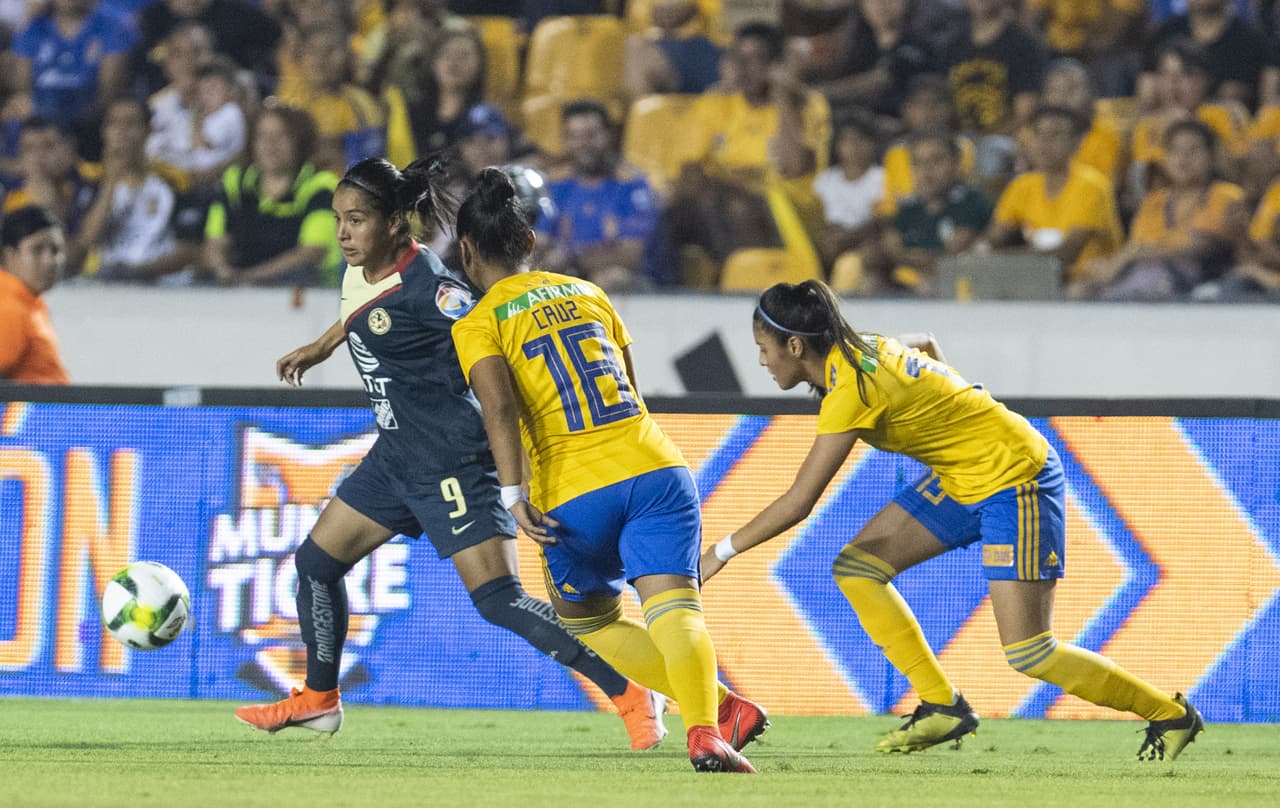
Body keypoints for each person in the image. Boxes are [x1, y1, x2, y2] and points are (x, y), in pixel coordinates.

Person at [234, 156, 666, 754]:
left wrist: (530, 456)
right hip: (396, 457)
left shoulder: (436, 292)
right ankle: (319, 700)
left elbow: (494, 345)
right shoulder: (364, 269)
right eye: (337, 219)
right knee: (315, 566)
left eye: (356, 220)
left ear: (394, 224)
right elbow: (363, 308)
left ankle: (632, 693)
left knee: (499, 601)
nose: (343, 233)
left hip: (452, 461)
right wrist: (323, 344)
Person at [701, 279, 1206, 761]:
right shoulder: (864, 347)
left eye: (763, 349)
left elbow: (799, 501)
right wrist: (956, 410)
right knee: (858, 568)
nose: (761, 361)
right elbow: (924, 341)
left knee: (1030, 652)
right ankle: (943, 706)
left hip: (1015, 477)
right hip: (965, 476)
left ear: (794, 346)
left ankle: (1171, 715)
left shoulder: (851, 386)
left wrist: (718, 554)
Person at [450, 167, 763, 773]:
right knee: (676, 611)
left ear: (465, 252)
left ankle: (721, 708)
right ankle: (709, 728)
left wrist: (513, 495)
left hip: (574, 489)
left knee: (590, 620)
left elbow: (500, 408)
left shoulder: (478, 322)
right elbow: (630, 387)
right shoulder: (588, 292)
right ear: (530, 241)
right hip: (655, 468)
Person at [1088, 119, 1247, 300]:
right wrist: (1123, 259)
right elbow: (1139, 242)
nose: (1183, 159)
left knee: (1148, 278)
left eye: (1193, 151)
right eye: (1175, 151)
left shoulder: (1224, 194)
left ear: (1211, 156)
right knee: (1086, 285)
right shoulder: (1155, 201)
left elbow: (1198, 244)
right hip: (1145, 275)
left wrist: (1131, 255)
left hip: (1203, 284)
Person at [984, 105, 1122, 292]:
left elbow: (1067, 254)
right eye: (1038, 134)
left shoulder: (1092, 185)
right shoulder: (1022, 186)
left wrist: (998, 259)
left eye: (1055, 135)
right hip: (1036, 282)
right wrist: (980, 251)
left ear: (1077, 142)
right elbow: (993, 238)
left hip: (1091, 287)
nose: (1044, 143)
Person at [202, 104, 341, 287]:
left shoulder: (321, 185)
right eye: (262, 136)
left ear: (300, 142)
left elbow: (312, 252)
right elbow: (215, 243)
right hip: (240, 290)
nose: (270, 145)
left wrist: (249, 278)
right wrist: (223, 272)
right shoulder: (234, 181)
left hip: (307, 290)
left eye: (281, 136)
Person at [534, 99, 659, 292]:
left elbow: (631, 255)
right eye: (574, 136)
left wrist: (571, 258)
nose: (583, 144)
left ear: (609, 135)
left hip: (629, 286)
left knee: (612, 278)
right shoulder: (556, 184)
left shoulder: (632, 185)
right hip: (567, 282)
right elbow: (540, 241)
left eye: (591, 135)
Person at [0, 205, 70, 384]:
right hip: (31, 403)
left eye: (56, 250)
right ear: (10, 255)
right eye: (37, 250)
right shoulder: (8, 305)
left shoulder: (27, 300)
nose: (50, 261)